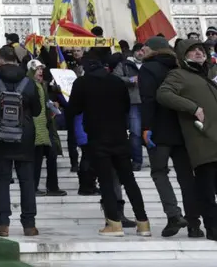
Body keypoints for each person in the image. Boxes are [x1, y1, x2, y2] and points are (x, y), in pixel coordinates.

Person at [68, 48, 150, 237]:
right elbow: (126, 106)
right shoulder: (116, 81)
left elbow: (73, 109)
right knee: (129, 180)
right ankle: (143, 223)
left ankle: (114, 223)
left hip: (98, 137)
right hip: (120, 136)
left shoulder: (82, 83)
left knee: (106, 180)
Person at [139, 36, 203, 238]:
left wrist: (146, 127)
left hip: (158, 130)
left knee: (159, 172)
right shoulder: (180, 67)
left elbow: (149, 99)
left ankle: (174, 215)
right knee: (186, 178)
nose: (143, 51)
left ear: (153, 50)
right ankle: (194, 224)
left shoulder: (148, 69)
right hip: (182, 129)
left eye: (146, 48)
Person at [0, 46, 41, 238]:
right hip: (25, 136)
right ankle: (29, 225)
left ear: (0, 60)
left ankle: (3, 224)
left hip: (0, 136)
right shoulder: (28, 82)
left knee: (2, 180)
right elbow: (37, 111)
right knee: (27, 181)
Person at [157, 39, 217, 241]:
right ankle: (213, 229)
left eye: (201, 50)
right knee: (207, 191)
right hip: (203, 142)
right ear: (183, 56)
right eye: (193, 51)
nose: (199, 53)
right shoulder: (178, 74)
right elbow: (163, 94)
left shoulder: (207, 75)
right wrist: (193, 107)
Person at [27, 60, 66, 197]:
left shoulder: (41, 85)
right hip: (36, 127)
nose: (40, 71)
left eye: (41, 69)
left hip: (46, 126)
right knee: (37, 158)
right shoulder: (30, 85)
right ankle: (33, 187)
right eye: (37, 69)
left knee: (51, 154)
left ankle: (52, 187)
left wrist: (51, 105)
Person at [114, 48, 144, 171]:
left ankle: (157, 161)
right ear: (133, 52)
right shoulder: (124, 65)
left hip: (149, 102)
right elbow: (116, 78)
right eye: (138, 50)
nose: (140, 53)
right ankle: (137, 161)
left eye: (143, 50)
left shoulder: (150, 64)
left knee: (153, 131)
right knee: (135, 132)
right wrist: (131, 80)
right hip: (134, 102)